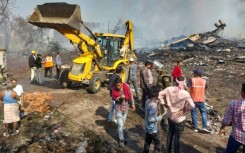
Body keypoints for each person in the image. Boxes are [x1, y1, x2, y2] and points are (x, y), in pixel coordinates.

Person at [158, 76, 195, 153]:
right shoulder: (185, 93)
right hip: (179, 118)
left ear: (175, 81)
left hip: (170, 116)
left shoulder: (169, 89)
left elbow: (159, 95)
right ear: (184, 83)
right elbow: (192, 105)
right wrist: (185, 109)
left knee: (170, 134)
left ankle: (168, 150)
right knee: (177, 138)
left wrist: (164, 104)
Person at [219, 83, 245, 153]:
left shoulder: (234, 103)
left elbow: (226, 120)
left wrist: (222, 128)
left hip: (236, 136)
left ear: (242, 92)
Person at [112, 77, 135, 148]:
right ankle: (121, 140)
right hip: (118, 108)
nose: (118, 87)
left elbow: (131, 95)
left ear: (122, 83)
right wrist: (119, 97)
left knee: (122, 124)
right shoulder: (114, 89)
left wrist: (133, 104)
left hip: (125, 108)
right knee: (120, 125)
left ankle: (121, 137)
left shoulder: (126, 87)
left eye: (119, 85)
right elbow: (114, 98)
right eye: (117, 85)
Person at [187, 69, 211, 133]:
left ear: (196, 74)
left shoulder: (192, 80)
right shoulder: (204, 81)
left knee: (194, 113)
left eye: (194, 73)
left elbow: (187, 87)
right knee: (203, 113)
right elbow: (205, 88)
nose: (193, 74)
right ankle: (204, 127)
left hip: (193, 100)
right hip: (201, 100)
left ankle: (195, 128)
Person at [143, 85, 162, 153]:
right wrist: (159, 118)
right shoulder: (153, 106)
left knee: (148, 140)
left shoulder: (148, 100)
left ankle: (145, 151)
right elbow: (151, 119)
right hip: (152, 128)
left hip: (147, 126)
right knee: (158, 143)